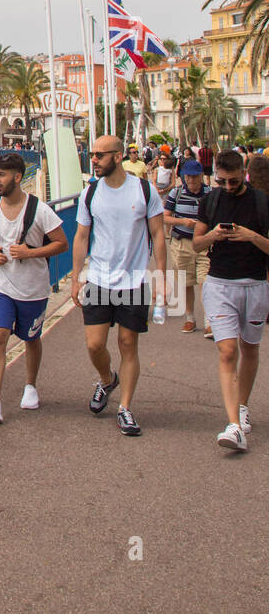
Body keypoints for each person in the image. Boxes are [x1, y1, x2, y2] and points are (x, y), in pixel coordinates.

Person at [70, 135, 166, 436]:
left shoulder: (144, 190)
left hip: (134, 279)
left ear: (118, 156)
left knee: (128, 344)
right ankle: (107, 379)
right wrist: (75, 277)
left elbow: (159, 234)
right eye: (93, 154)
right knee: (94, 344)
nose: (94, 159)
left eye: (100, 155)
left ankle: (125, 408)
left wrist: (161, 275)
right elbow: (81, 236)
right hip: (98, 277)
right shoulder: (90, 193)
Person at [0, 152, 68, 422]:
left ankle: (30, 386)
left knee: (31, 338)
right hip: (1, 283)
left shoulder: (40, 210)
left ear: (17, 177)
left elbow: (61, 243)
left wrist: (30, 253)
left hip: (33, 288)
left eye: (1, 175)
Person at [193, 150, 269, 451]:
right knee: (227, 351)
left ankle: (242, 406)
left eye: (233, 182)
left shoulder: (262, 202)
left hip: (255, 285)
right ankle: (234, 425)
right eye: (222, 181)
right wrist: (213, 236)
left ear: (244, 173)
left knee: (249, 347)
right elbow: (197, 244)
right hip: (220, 284)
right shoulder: (209, 201)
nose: (227, 187)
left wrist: (252, 237)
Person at [163, 159, 209, 334]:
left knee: (206, 282)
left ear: (201, 176)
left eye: (195, 177)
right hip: (182, 242)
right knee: (186, 282)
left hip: (204, 244)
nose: (191, 180)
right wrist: (183, 222)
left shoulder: (210, 193)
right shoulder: (176, 193)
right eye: (188, 176)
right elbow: (164, 217)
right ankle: (190, 318)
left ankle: (209, 320)